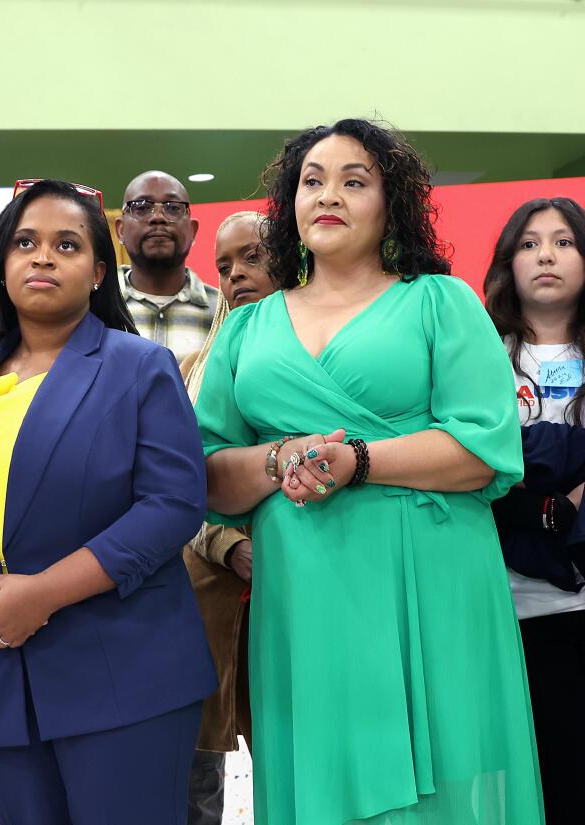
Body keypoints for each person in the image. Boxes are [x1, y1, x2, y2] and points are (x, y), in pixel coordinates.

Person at [196, 119, 545, 824]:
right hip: (303, 592)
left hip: (432, 579)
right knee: (318, 782)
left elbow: (486, 449)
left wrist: (356, 460)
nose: (330, 195)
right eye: (312, 181)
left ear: (393, 204)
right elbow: (206, 475)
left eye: (355, 181)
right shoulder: (244, 329)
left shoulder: (441, 303)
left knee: (445, 791)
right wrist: (278, 458)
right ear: (290, 205)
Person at [0, 179, 216, 824]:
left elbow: (173, 505)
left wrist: (41, 594)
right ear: (1, 269)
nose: (42, 257)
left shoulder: (140, 367)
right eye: (25, 244)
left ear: (98, 272)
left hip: (124, 672)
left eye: (66, 245)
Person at [483, 197, 585, 824]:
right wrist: (552, 508)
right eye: (528, 243)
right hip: (506, 605)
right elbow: (478, 469)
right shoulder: (481, 355)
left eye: (564, 241)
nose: (545, 255)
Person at [178, 211, 275, 825]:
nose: (236, 274)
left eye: (254, 258)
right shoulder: (191, 366)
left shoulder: (321, 354)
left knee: (295, 755)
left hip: (304, 586)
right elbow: (173, 489)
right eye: (224, 266)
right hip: (208, 600)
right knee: (198, 777)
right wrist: (230, 543)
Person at [115, 170, 220, 362]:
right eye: (141, 207)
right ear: (120, 230)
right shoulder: (94, 307)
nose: (158, 217)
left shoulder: (223, 312)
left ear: (192, 230)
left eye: (172, 208)